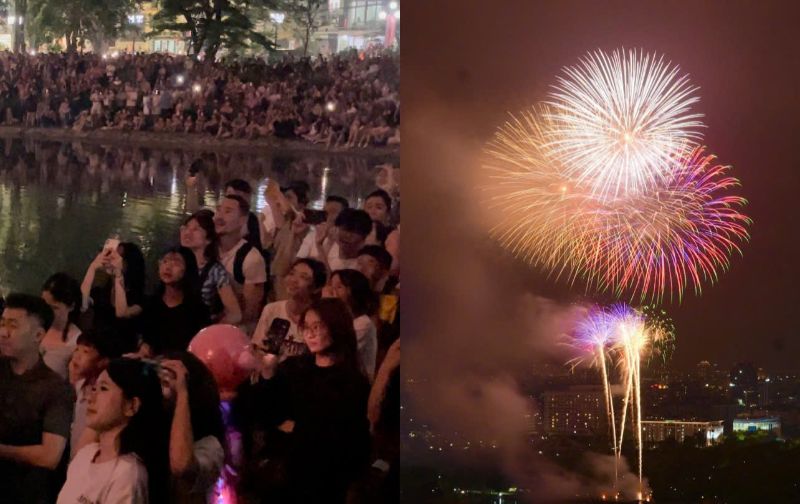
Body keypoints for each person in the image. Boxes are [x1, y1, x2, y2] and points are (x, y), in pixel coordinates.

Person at [237, 298, 370, 503]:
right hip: (282, 471)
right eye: (306, 327)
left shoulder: (352, 382)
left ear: (336, 327)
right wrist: (267, 375)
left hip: (323, 478)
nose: (310, 334)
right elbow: (264, 413)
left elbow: (342, 438)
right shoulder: (295, 367)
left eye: (317, 327)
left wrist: (294, 426)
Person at [58, 358, 170, 504]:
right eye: (94, 388)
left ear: (131, 405)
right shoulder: (85, 455)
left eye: (103, 389)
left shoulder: (127, 474)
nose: (91, 398)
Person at [0, 293, 74, 504]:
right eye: (2, 323)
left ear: (38, 335)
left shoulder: (55, 388)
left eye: (13, 326)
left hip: (24, 493)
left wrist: (2, 450)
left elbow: (50, 456)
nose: (3, 332)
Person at [159, 352, 226, 504]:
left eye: (166, 382)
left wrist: (182, 392)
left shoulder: (210, 445)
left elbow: (181, 466)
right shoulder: (152, 428)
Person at [252, 258, 327, 361]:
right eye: (292, 273)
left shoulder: (319, 318)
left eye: (304, 277)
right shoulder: (272, 309)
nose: (293, 280)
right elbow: (256, 349)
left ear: (316, 288)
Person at [139, 247, 210, 356]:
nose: (168, 267)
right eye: (165, 261)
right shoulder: (151, 304)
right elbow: (148, 342)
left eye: (176, 263)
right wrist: (142, 352)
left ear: (187, 269)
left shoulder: (198, 309)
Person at [80, 241, 146, 354]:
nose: (112, 260)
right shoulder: (101, 292)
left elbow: (121, 312)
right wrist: (93, 267)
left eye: (118, 257)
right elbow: (82, 302)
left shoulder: (140, 298)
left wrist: (118, 274)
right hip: (95, 349)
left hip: (120, 353)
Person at [180, 210, 242, 325]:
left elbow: (235, 314)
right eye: (186, 227)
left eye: (196, 229)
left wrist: (210, 332)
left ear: (208, 239)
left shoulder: (215, 271)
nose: (187, 233)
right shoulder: (173, 261)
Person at [215, 195, 267, 331]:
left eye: (228, 211)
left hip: (234, 329)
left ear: (242, 220)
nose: (219, 216)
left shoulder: (251, 258)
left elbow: (250, 313)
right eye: (218, 210)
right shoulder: (207, 248)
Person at [68, 329, 118, 460]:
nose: (76, 356)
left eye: (85, 352)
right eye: (77, 349)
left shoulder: (105, 396)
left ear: (103, 361)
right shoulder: (81, 385)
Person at [329, 269, 378, 381]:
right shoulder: (337, 319)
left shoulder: (363, 324)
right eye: (331, 286)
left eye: (339, 287)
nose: (332, 292)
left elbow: (335, 352)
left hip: (354, 386)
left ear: (352, 291)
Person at [40, 273, 83, 379]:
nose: (47, 311)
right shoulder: (34, 325)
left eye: (54, 308)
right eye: (44, 305)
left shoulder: (76, 341)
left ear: (71, 306)